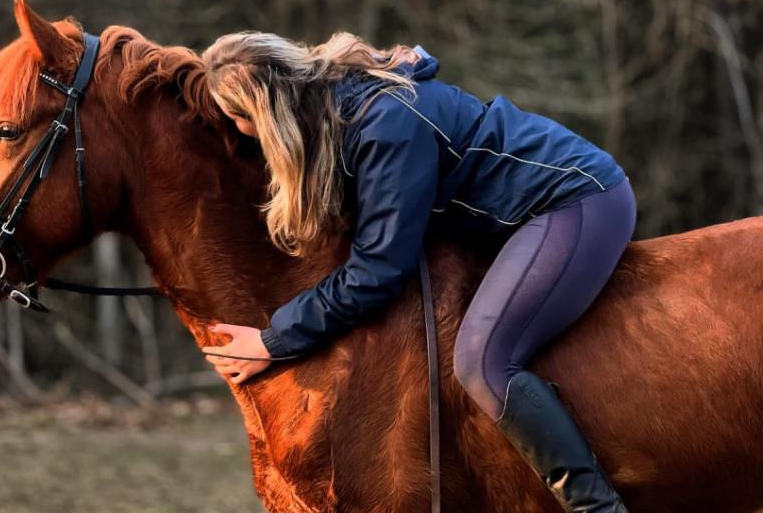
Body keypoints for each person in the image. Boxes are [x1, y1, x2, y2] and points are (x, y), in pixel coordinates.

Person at [200, 31, 635, 513]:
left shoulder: (385, 123)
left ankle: (598, 508)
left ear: (270, 114)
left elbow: (379, 270)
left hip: (575, 202)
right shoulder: (341, 109)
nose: (243, 132)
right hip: (521, 217)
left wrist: (275, 339)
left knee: (482, 362)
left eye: (239, 119)